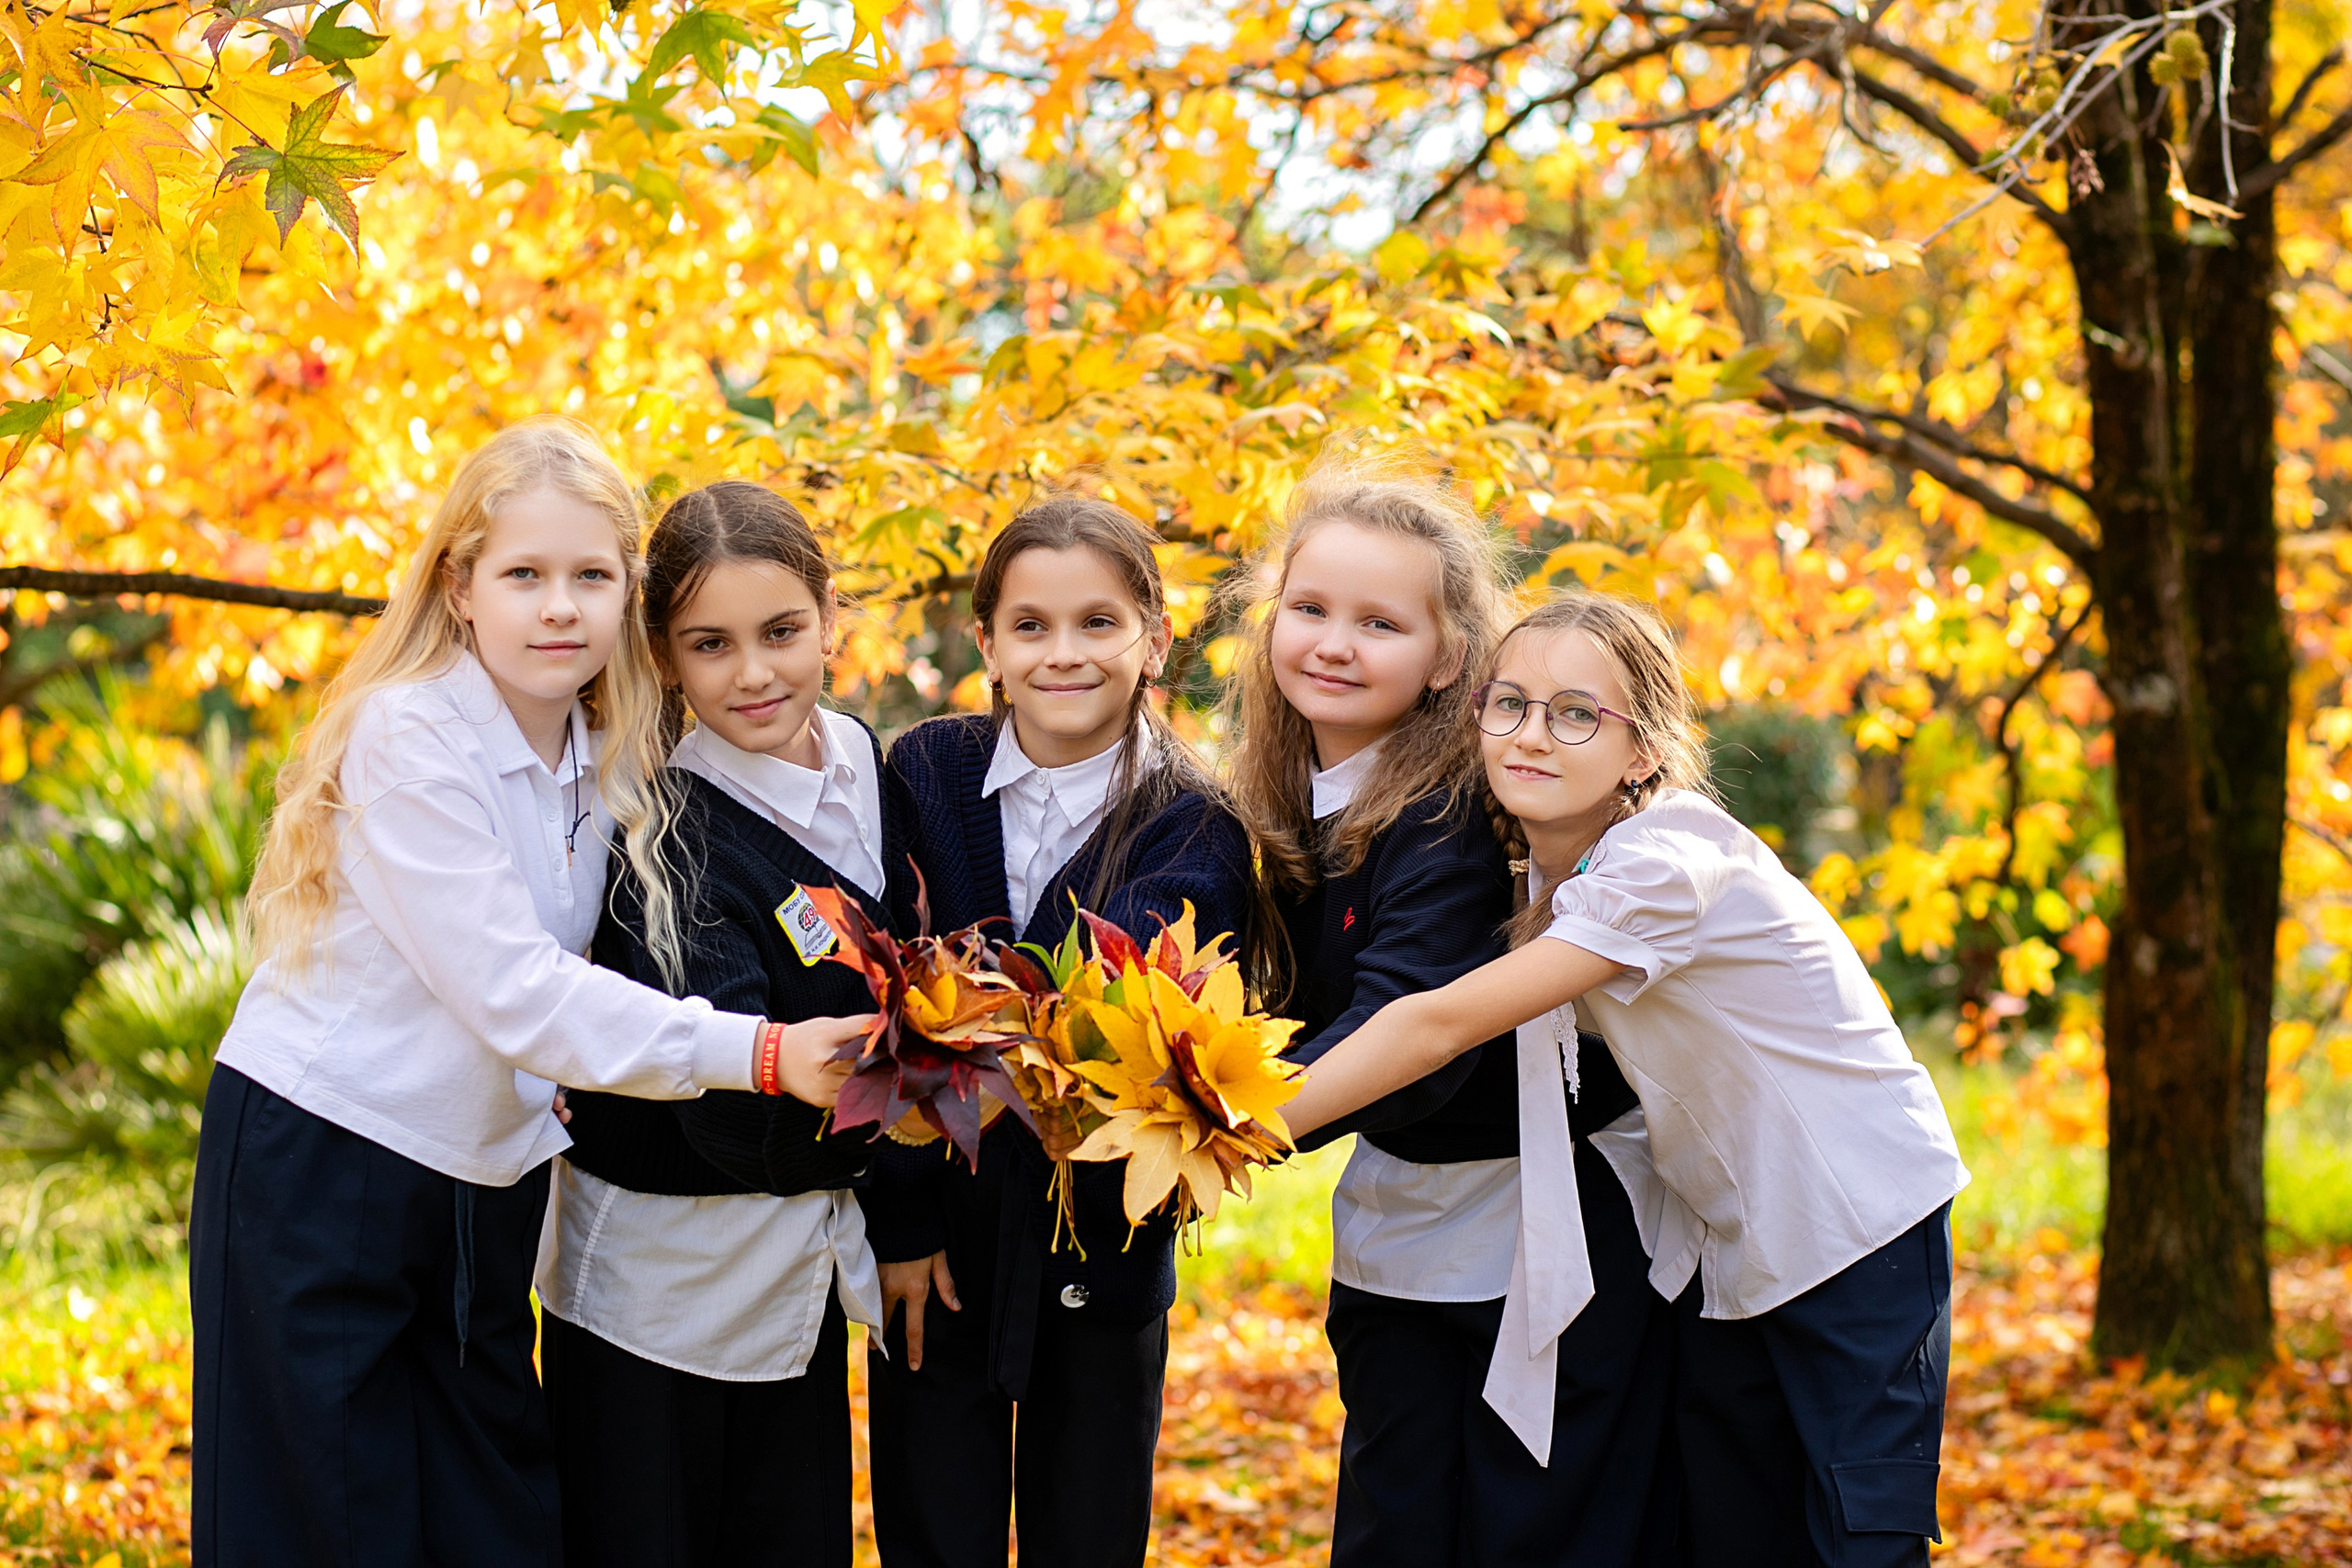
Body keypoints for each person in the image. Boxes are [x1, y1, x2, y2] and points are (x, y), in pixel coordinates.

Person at [189, 421, 865, 1567]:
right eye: (524, 576)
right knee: (324, 1521)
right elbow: (516, 993)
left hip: (486, 1186)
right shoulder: (407, 735)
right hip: (323, 1167)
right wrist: (757, 1053)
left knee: (494, 1519)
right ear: (460, 588)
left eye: (591, 577)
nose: (559, 607)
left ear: (625, 598)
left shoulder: (605, 748)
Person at [1283, 588, 1972, 1568]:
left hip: (1859, 1224)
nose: (1532, 735)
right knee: (1739, 1524)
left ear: (1642, 750)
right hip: (1726, 1241)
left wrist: (1226, 1122)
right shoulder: (1540, 874)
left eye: (1575, 715)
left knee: (1859, 1525)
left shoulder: (1666, 862)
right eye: (1509, 703)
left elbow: (1434, 1024)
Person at [1224, 457, 1676, 1567]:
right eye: (1310, 609)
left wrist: (1217, 1127)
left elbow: (1413, 1033)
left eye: (1380, 622)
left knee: (1535, 1525)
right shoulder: (1276, 801)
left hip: (1546, 1219)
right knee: (1394, 1515)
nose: (1334, 643)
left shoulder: (1450, 818)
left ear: (1450, 664)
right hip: (1405, 1216)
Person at [862, 493, 1256, 1568]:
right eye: (1030, 626)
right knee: (930, 1526)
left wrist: (968, 995)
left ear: (1155, 638)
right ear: (985, 642)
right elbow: (879, 1006)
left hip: (1101, 1243)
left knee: (1087, 1530)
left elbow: (1091, 1023)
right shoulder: (926, 772)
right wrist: (896, 1223)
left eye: (1098, 623)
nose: (1063, 654)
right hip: (935, 1239)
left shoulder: (1197, 822)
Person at [538, 480, 896, 1567]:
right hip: (656, 1299)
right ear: (662, 653)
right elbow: (733, 1120)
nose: (754, 673)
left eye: (783, 632)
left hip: (798, 1296)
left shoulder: (876, 768)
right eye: (711, 644)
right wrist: (910, 1117)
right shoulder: (663, 829)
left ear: (831, 616)